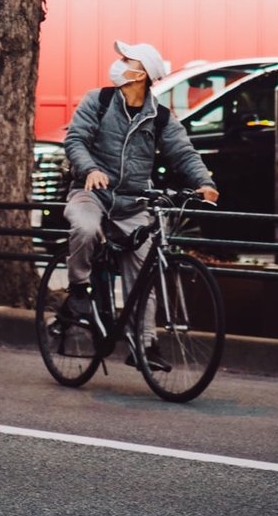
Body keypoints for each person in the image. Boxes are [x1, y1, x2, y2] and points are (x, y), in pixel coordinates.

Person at [62, 41, 219, 367]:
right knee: (85, 228)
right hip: (91, 193)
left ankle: (144, 346)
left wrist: (204, 183)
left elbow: (183, 153)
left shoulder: (159, 118)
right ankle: (78, 290)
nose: (118, 63)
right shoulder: (98, 101)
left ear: (141, 74)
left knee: (144, 273)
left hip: (133, 204)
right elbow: (75, 139)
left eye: (126, 60)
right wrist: (90, 169)